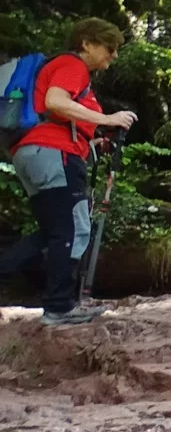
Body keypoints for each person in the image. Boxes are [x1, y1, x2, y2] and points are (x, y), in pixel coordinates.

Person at [0, 18, 136, 325]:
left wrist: (92, 138)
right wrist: (111, 119)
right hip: (53, 154)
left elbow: (59, 113)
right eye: (109, 47)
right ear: (86, 43)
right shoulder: (71, 65)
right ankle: (60, 307)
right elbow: (55, 102)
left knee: (54, 231)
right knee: (72, 229)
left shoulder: (63, 69)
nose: (113, 55)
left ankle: (29, 285)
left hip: (35, 153)